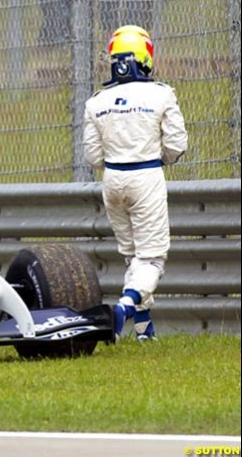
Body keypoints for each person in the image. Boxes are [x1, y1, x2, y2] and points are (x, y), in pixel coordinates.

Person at [82, 25, 188, 341]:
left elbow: (92, 156)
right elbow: (176, 144)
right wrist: (160, 159)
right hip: (146, 176)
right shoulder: (161, 94)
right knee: (152, 257)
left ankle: (144, 330)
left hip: (112, 179)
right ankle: (125, 309)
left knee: (133, 257)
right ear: (145, 57)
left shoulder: (96, 101)